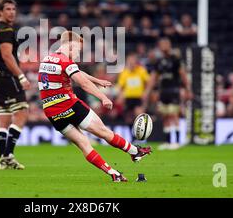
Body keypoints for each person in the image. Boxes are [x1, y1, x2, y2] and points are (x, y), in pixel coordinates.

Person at [38, 31, 152, 182]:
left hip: (52, 113)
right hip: (69, 105)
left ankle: (113, 174)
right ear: (71, 45)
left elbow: (75, 71)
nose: (79, 54)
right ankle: (134, 151)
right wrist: (103, 97)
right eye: (79, 50)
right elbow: (82, 83)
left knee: (84, 144)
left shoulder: (48, 59)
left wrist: (97, 80)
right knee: (103, 132)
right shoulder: (66, 61)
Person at [0, 0, 30, 170]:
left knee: (4, 117)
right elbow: (7, 55)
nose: (11, 12)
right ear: (0, 12)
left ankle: (2, 159)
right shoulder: (6, 30)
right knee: (22, 113)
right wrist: (21, 76)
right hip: (6, 77)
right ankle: (7, 155)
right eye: (7, 9)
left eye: (14, 9)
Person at [143, 38, 192, 150]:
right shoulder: (158, 61)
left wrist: (188, 89)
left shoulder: (176, 59)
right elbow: (154, 78)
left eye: (165, 44)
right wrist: (147, 91)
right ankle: (167, 141)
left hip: (174, 89)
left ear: (169, 45)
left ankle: (177, 141)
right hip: (163, 91)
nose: (164, 46)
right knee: (165, 115)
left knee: (174, 114)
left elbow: (183, 75)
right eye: (162, 44)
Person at [116, 53, 150, 123]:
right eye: (129, 61)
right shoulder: (124, 73)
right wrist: (120, 95)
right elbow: (120, 87)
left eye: (133, 61)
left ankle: (141, 131)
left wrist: (146, 92)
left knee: (139, 116)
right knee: (128, 118)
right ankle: (130, 131)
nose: (131, 63)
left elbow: (148, 82)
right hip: (128, 98)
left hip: (138, 97)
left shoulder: (141, 70)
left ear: (136, 61)